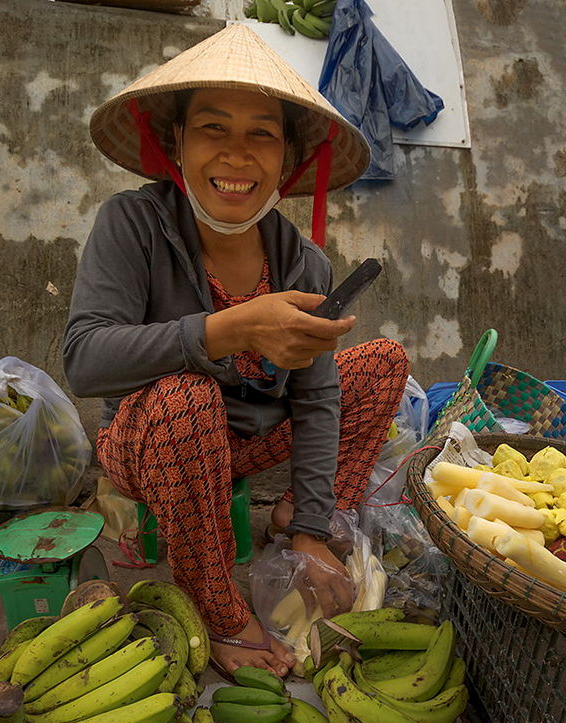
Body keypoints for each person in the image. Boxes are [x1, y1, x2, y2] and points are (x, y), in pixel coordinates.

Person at [63, 24, 408, 678]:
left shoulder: (300, 260)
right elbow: (85, 360)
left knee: (382, 363)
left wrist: (309, 523)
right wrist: (230, 328)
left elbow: (315, 394)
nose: (236, 155)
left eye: (261, 134)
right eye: (212, 129)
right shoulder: (130, 225)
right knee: (186, 398)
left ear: (288, 159)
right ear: (177, 143)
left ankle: (291, 516)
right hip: (148, 441)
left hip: (246, 438)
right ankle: (216, 603)